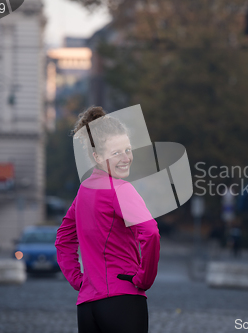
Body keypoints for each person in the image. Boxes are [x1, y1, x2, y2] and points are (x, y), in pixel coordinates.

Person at [55, 106, 161, 333]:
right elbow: (150, 232)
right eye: (116, 153)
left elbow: (63, 238)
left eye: (127, 149)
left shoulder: (84, 190)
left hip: (87, 307)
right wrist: (144, 279)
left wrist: (78, 280)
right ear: (97, 157)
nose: (126, 158)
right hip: (122, 301)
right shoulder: (121, 189)